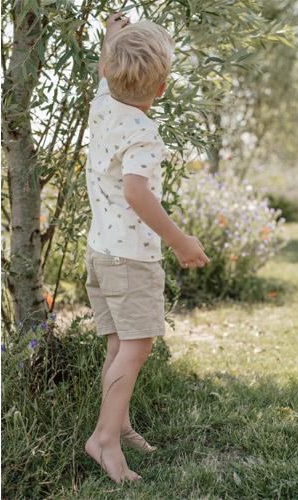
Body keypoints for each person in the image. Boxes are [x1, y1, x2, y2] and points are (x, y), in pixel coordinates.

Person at [83, 12, 210, 484]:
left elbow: (106, 68)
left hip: (101, 251)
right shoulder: (142, 132)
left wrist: (111, 36)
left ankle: (118, 424)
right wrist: (180, 241)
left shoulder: (102, 103)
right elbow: (137, 192)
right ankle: (104, 440)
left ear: (108, 71)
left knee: (119, 345)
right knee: (135, 349)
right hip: (132, 258)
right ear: (161, 88)